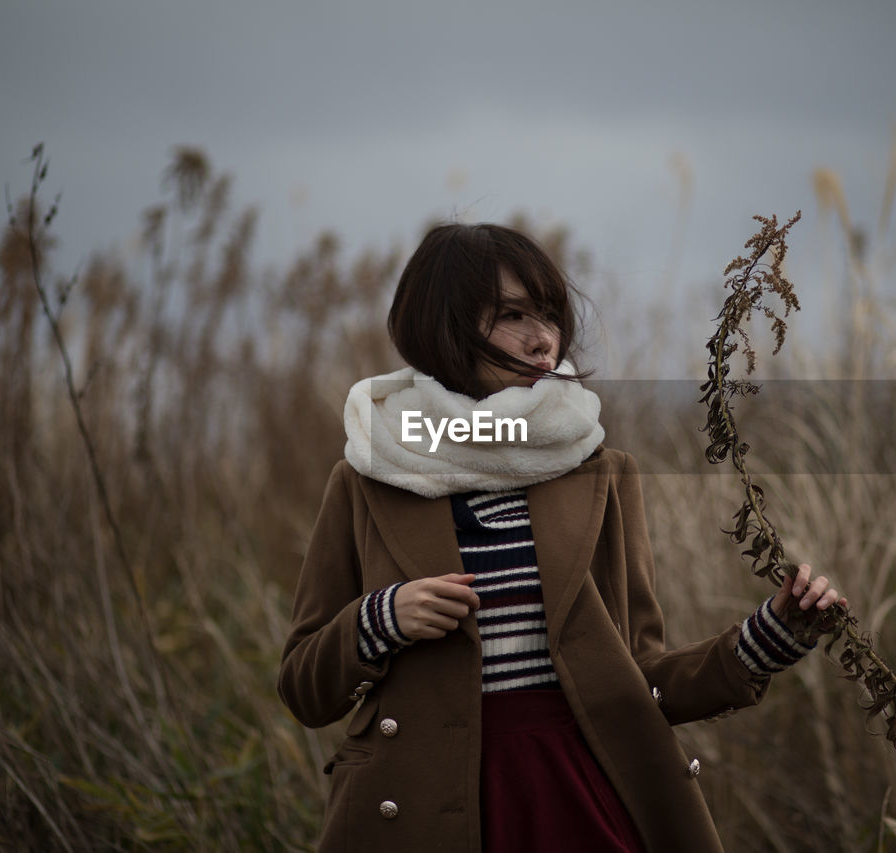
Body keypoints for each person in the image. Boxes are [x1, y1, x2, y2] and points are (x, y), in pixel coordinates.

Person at [276, 222, 846, 853]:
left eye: (548, 313)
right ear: (442, 324)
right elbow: (304, 687)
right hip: (421, 809)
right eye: (511, 315)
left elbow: (641, 676)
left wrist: (766, 639)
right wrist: (379, 620)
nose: (542, 336)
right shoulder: (368, 476)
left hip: (582, 799)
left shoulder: (600, 472)